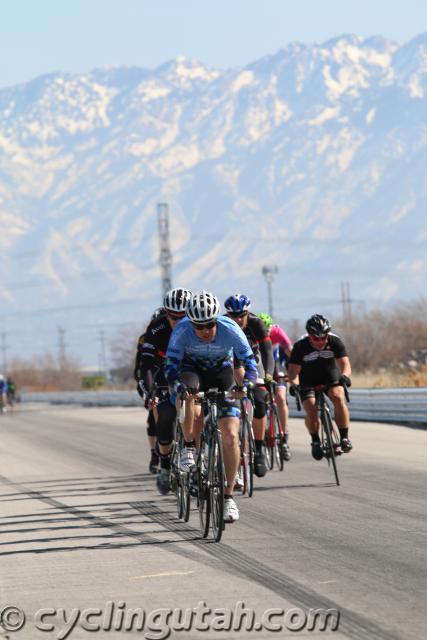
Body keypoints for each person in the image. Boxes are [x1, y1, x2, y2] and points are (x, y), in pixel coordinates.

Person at [164, 291, 257, 523]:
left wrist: (246, 385)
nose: (205, 331)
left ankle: (227, 498)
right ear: (191, 323)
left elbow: (250, 364)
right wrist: (177, 385)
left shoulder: (231, 329)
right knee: (191, 402)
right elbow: (170, 366)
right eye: (199, 326)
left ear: (217, 319)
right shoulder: (182, 330)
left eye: (209, 325)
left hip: (222, 373)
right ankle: (188, 447)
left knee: (231, 435)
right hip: (192, 371)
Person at [134, 288, 192, 491]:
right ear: (165, 313)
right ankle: (165, 464)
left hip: (188, 369)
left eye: (182, 317)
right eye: (172, 317)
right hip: (161, 370)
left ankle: (198, 457)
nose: (177, 321)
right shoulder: (156, 328)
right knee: (164, 415)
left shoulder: (196, 325)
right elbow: (146, 365)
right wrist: (149, 392)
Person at [287, 314, 353, 460]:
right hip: (307, 379)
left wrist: (345, 376)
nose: (320, 341)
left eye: (323, 338)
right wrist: (295, 385)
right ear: (310, 337)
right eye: (316, 339)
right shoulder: (300, 346)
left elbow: (345, 364)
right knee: (311, 408)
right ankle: (315, 440)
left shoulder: (335, 341)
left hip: (329, 375)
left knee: (337, 396)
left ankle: (344, 437)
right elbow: (292, 372)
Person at [224, 295, 275, 478]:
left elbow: (268, 352)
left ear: (248, 313)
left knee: (261, 400)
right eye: (233, 316)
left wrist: (268, 375)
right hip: (230, 362)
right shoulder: (222, 324)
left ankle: (259, 451)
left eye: (242, 315)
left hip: (253, 361)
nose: (238, 320)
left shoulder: (256, 323)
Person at [258, 312, 293, 461]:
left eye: (267, 331)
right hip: (261, 367)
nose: (265, 334)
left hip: (276, 366)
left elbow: (290, 352)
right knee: (260, 397)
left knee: (280, 397)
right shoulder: (253, 333)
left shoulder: (277, 332)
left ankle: (284, 437)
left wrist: (294, 372)